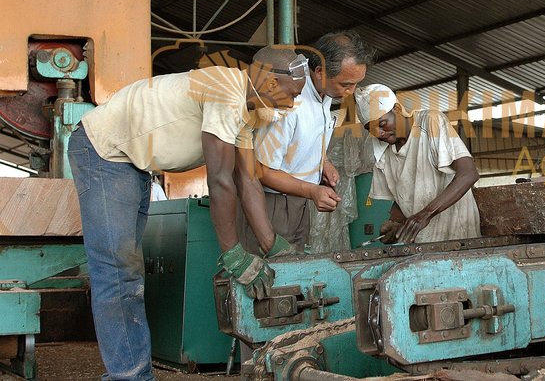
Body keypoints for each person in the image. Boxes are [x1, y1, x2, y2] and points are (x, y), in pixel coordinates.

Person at [67, 45, 305, 381]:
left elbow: (247, 179)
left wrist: (273, 245)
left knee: (129, 271)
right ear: (269, 80)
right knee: (118, 270)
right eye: (291, 94)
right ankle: (129, 377)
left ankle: (131, 372)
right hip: (104, 150)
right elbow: (220, 181)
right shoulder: (225, 91)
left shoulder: (247, 112)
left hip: (133, 163)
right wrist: (233, 255)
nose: (292, 104)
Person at [251, 31, 374, 250]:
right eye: (346, 84)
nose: (351, 92)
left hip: (298, 199)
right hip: (273, 203)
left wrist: (323, 162)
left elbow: (310, 134)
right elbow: (260, 169)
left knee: (296, 267)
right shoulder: (289, 100)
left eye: (355, 84)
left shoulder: (325, 90)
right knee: (272, 270)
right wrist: (312, 190)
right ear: (319, 72)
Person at [354, 83, 481, 244]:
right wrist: (395, 222)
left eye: (382, 124)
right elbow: (405, 197)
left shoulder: (430, 122)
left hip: (457, 235)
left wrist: (425, 214)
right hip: (421, 243)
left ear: (397, 109)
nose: (379, 133)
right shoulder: (382, 150)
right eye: (371, 129)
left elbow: (468, 174)